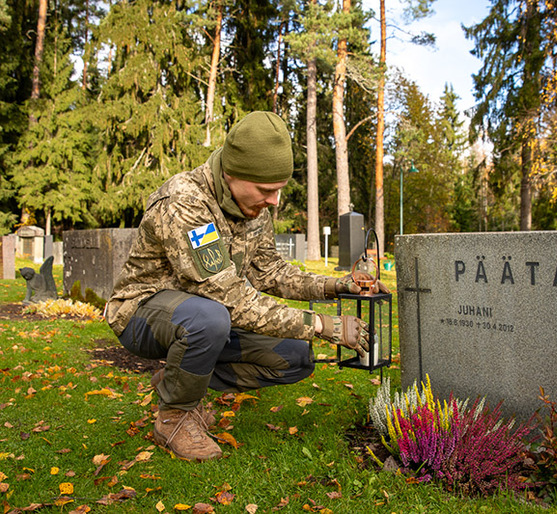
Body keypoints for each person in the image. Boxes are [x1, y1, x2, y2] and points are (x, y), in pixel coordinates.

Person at [105, 111, 387, 461]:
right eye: (267, 191)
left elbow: (270, 271)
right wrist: (321, 325)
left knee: (295, 357)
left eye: (279, 190)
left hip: (207, 315)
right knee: (209, 318)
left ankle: (178, 380)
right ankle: (174, 418)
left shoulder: (254, 209)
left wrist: (335, 285)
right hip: (142, 314)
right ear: (232, 173)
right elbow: (230, 298)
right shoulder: (186, 202)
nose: (274, 201)